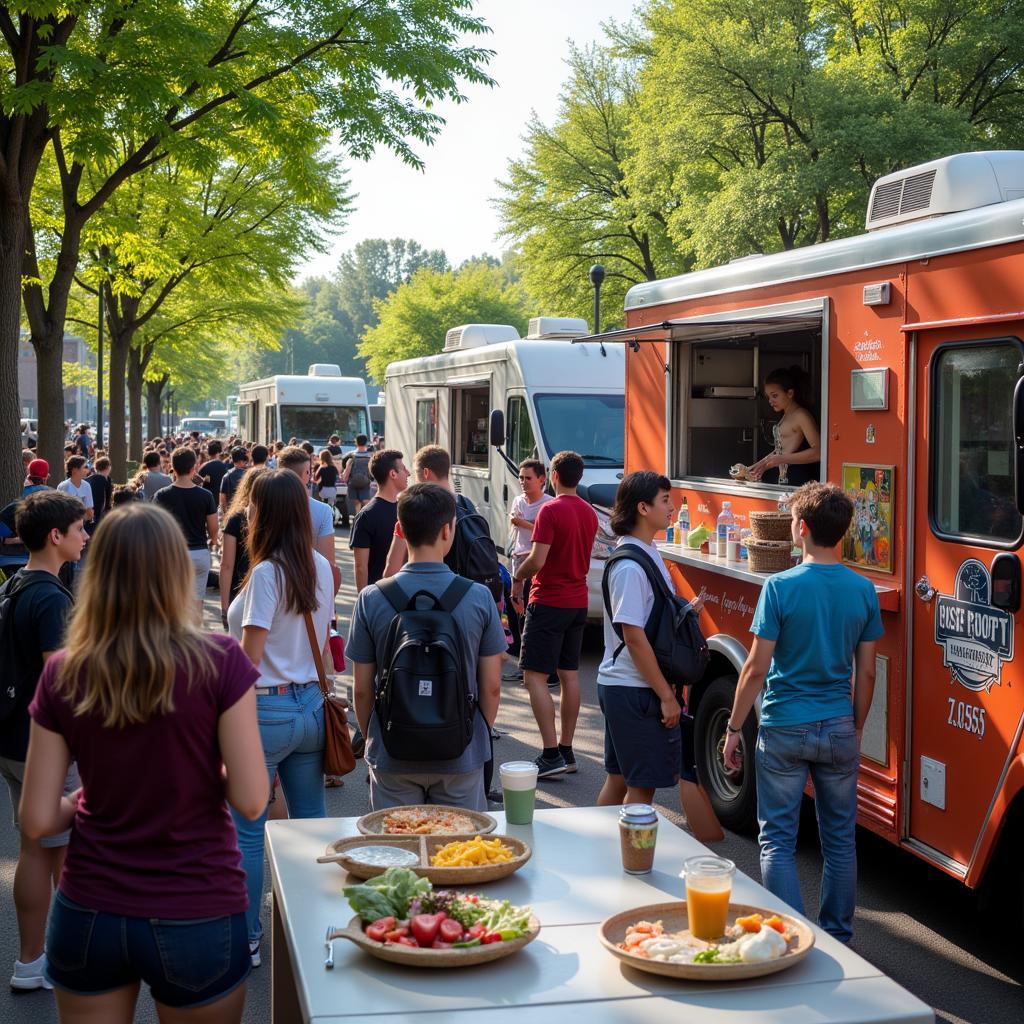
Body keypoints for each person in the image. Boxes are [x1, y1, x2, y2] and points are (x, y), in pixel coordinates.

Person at [19, 502, 267, 1020]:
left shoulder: (65, 670)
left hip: (91, 909)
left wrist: (84, 798)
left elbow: (38, 819)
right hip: (197, 905)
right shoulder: (220, 659)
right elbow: (250, 798)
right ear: (178, 571)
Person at [723, 482, 883, 943]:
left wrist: (734, 728)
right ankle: (837, 937)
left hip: (784, 726)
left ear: (803, 527)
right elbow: (867, 673)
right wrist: (853, 726)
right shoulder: (863, 590)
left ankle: (789, 940)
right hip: (836, 726)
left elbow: (755, 668)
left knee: (777, 840)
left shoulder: (780, 587)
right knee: (839, 840)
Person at [226, 469, 334, 966]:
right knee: (312, 826)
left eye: (251, 505)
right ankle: (313, 925)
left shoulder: (268, 571)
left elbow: (248, 657)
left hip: (265, 708)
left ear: (263, 513)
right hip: (312, 705)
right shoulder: (319, 566)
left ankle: (248, 936)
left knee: (248, 831)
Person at [348, 483, 504, 811]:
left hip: (393, 754)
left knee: (398, 852)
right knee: (458, 854)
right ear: (449, 530)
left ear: (400, 531)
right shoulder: (478, 597)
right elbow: (491, 687)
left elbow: (361, 690)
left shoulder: (372, 598)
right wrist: (472, 737)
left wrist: (377, 737)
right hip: (460, 756)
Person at [593, 472, 723, 840]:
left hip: (626, 687)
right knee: (641, 791)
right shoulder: (631, 566)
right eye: (666, 500)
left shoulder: (644, 551)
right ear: (643, 507)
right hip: (635, 690)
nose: (672, 507)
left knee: (619, 780)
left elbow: (647, 622)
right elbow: (633, 636)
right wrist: (667, 697)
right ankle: (633, 868)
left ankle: (595, 850)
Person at [0, 491, 87, 991]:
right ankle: (55, 959)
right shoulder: (52, 597)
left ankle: (32, 959)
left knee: (34, 848)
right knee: (62, 854)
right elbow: (63, 682)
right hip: (47, 745)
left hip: (13, 739)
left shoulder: (14, 584)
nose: (85, 537)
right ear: (56, 536)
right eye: (79, 529)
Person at [512, 450, 597, 778]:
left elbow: (538, 559)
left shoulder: (550, 511)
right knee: (569, 675)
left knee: (533, 676)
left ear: (554, 476)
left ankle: (549, 754)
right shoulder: (589, 513)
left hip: (549, 600)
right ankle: (566, 750)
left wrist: (518, 576)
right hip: (578, 600)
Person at [504, 459, 552, 680]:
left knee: (535, 617)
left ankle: (536, 670)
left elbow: (542, 534)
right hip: (518, 561)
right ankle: (523, 666)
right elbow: (518, 527)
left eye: (528, 478)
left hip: (538, 563)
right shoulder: (518, 501)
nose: (523, 482)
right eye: (521, 478)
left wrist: (525, 524)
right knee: (519, 614)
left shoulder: (548, 504)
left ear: (542, 480)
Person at [154, 447, 219, 608]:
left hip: (172, 553)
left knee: (172, 604)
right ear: (194, 468)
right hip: (199, 553)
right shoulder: (206, 496)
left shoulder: (161, 495)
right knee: (196, 603)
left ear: (173, 467)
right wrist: (212, 541)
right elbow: (213, 528)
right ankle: (194, 632)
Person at [277, 445, 340, 593]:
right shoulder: (323, 511)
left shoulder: (261, 505)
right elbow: (328, 563)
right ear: (307, 473)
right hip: (308, 589)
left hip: (270, 585)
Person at [747, 366, 820, 486]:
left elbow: (818, 452)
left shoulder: (801, 415)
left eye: (775, 396)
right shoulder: (786, 414)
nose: (770, 401)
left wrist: (782, 459)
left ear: (790, 393)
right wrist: (758, 466)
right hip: (785, 477)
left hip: (799, 479)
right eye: (768, 397)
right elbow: (780, 450)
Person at [350, 448, 410, 592]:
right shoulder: (367, 515)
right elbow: (360, 567)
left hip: (387, 598)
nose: (408, 473)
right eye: (403, 469)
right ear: (392, 474)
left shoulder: (366, 515)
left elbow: (361, 566)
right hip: (389, 596)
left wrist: (364, 602)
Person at [219, 468, 266, 631]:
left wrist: (224, 607)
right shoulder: (276, 518)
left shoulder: (235, 519)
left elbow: (226, 565)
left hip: (239, 592)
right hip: (268, 591)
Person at [341, 434, 374, 516]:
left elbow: (346, 469)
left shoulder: (350, 456)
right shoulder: (370, 456)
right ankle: (366, 517)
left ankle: (357, 517)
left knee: (356, 503)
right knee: (366, 501)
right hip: (365, 482)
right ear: (366, 443)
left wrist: (344, 477)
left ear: (356, 442)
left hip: (353, 483)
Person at [56, 457, 94, 525]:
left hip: (82, 525)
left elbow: (89, 512)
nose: (87, 470)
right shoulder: (63, 486)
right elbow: (60, 511)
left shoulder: (87, 486)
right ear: (74, 470)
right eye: (85, 467)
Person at [85, 455, 113, 534]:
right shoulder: (100, 479)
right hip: (97, 514)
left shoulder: (92, 478)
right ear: (108, 466)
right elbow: (101, 500)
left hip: (93, 512)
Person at [219, 446, 249, 513]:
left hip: (231, 513)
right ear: (243, 460)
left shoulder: (226, 476)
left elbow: (222, 499)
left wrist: (225, 514)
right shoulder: (249, 475)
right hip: (246, 513)